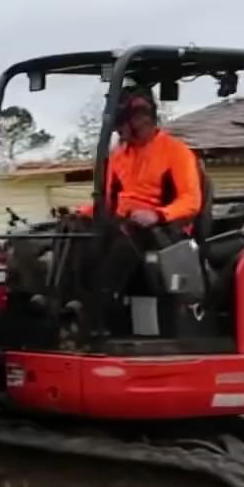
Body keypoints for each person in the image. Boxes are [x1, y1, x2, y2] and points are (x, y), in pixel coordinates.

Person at [69, 86, 204, 321]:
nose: (120, 133)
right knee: (76, 229)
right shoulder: (119, 156)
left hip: (166, 228)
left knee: (125, 233)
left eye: (122, 126)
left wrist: (158, 215)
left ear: (142, 118)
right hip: (125, 223)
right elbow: (107, 203)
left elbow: (191, 201)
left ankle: (99, 312)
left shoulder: (176, 152)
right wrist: (80, 213)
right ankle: (66, 298)